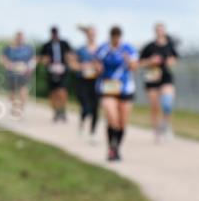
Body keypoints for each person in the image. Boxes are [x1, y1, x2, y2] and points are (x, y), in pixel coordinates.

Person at [96, 25, 138, 161]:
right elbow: (96, 65)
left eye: (118, 36)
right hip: (108, 88)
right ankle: (111, 148)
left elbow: (134, 67)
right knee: (112, 117)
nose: (116, 39)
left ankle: (116, 148)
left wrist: (128, 60)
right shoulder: (103, 49)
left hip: (125, 87)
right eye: (113, 36)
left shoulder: (128, 49)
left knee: (122, 122)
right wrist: (98, 68)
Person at [139, 22, 179, 142]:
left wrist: (171, 62)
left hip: (166, 78)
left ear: (164, 31)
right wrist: (150, 61)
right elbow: (139, 63)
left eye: (162, 30)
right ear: (155, 31)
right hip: (152, 78)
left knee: (167, 104)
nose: (160, 32)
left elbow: (175, 60)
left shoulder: (170, 45)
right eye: (158, 30)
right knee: (155, 107)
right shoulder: (149, 47)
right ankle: (156, 132)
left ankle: (166, 124)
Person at [39, 26, 74, 123]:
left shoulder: (64, 43)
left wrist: (69, 60)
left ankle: (62, 110)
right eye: (53, 33)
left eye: (56, 33)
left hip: (63, 70)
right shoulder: (46, 45)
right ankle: (56, 112)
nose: (55, 35)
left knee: (62, 92)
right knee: (53, 93)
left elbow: (71, 54)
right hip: (51, 71)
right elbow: (41, 57)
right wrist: (45, 61)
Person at [73, 25, 101, 143]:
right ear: (86, 34)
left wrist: (97, 67)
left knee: (95, 108)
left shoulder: (100, 50)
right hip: (83, 81)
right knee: (86, 106)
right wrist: (81, 66)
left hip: (96, 81)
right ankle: (82, 121)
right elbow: (73, 65)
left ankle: (93, 132)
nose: (92, 35)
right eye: (90, 33)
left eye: (93, 33)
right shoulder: (80, 49)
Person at [1, 32, 35, 117]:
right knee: (13, 91)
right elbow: (3, 59)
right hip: (12, 72)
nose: (20, 39)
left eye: (21, 38)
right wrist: (9, 65)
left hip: (24, 72)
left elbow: (33, 60)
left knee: (23, 89)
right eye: (18, 37)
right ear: (15, 38)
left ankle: (21, 107)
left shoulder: (28, 48)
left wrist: (30, 69)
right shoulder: (8, 48)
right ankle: (14, 106)